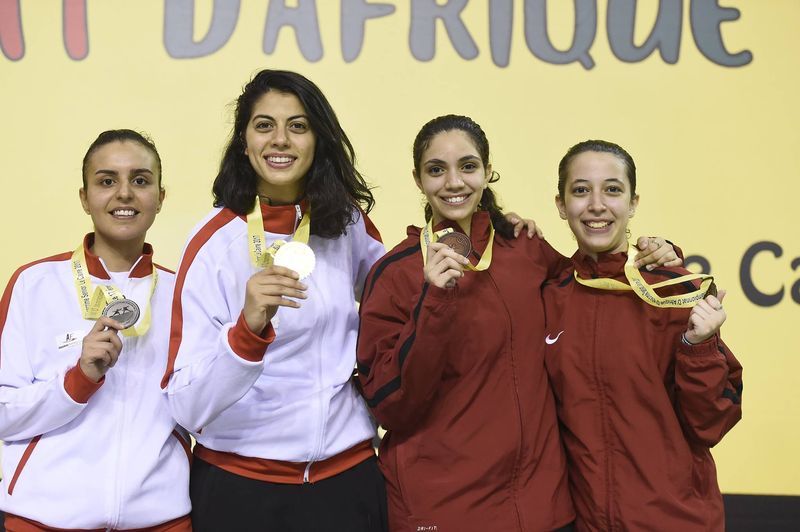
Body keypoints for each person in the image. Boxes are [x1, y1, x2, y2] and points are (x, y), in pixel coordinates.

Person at [355, 115, 679, 531]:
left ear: (488, 171)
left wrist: (655, 255)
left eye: (468, 166)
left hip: (543, 510)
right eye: (436, 169)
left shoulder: (524, 248)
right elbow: (390, 406)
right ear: (418, 179)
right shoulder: (395, 273)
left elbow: (595, 279)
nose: (454, 182)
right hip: (445, 510)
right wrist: (433, 301)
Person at [161, 69, 389, 532]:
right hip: (242, 489)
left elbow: (395, 307)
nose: (280, 139)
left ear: (318, 140)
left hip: (346, 481)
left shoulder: (347, 224)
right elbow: (186, 406)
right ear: (244, 143)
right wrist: (246, 332)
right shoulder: (213, 242)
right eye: (264, 125)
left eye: (297, 126)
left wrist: (490, 229)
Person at [543, 139, 743, 531]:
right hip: (587, 522)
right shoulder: (548, 295)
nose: (597, 204)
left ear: (633, 203)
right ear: (561, 205)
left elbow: (712, 424)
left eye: (612, 190)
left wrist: (698, 347)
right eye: (581, 190)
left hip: (677, 521)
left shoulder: (674, 291)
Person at [0, 130, 191, 531]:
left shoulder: (185, 294)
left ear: (160, 197)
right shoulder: (33, 284)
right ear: (85, 198)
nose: (124, 193)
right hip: (43, 521)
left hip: (160, 520)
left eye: (140, 180)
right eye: (107, 181)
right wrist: (77, 380)